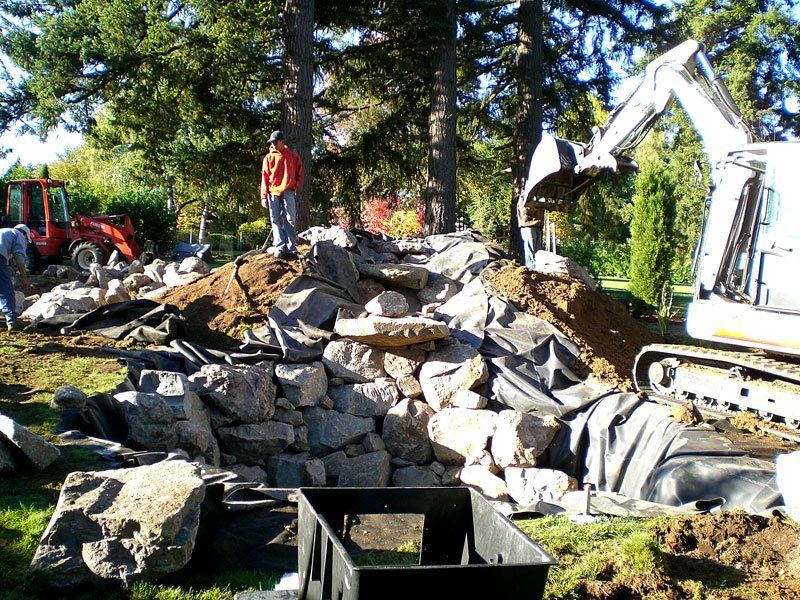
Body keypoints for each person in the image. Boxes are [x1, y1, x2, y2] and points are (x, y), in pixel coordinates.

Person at [260, 130, 304, 259]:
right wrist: (263, 196)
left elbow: (300, 174)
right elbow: (264, 177)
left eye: (274, 142)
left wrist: (294, 186)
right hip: (273, 193)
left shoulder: (293, 157)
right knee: (275, 220)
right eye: (271, 142)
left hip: (288, 191)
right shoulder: (268, 158)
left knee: (290, 219)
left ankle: (291, 248)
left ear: (282, 142)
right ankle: (279, 246)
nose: (272, 144)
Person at [0, 224, 33, 332]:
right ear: (24, 234)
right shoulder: (18, 234)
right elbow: (19, 257)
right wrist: (24, 277)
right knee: (5, 289)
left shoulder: (4, 231)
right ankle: (11, 321)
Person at [517, 194, 544, 269]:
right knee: (530, 248)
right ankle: (531, 268)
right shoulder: (525, 196)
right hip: (528, 226)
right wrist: (537, 204)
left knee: (538, 250)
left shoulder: (538, 197)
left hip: (538, 225)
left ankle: (538, 268)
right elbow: (525, 209)